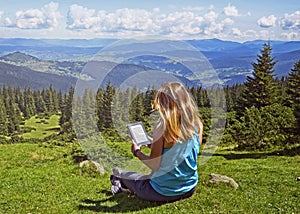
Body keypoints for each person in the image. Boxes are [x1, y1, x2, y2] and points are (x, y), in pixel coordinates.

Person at [110, 82, 203, 203]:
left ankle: (120, 183)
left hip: (161, 192)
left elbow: (154, 164)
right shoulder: (197, 124)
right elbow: (182, 151)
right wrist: (153, 144)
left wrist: (137, 152)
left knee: (119, 174)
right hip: (189, 188)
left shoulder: (163, 127)